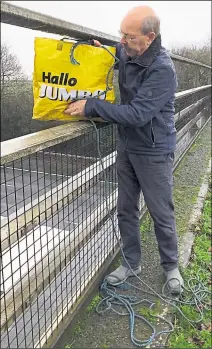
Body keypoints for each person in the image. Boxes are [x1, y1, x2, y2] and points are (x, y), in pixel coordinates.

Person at [64, 5, 184, 294]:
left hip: (154, 149)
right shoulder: (131, 51)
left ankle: (171, 267)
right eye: (121, 34)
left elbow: (137, 114)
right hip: (128, 146)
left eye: (128, 36)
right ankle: (131, 263)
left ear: (149, 37)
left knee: (161, 212)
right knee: (125, 209)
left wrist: (91, 106)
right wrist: (99, 49)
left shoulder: (162, 70)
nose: (122, 41)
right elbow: (117, 53)